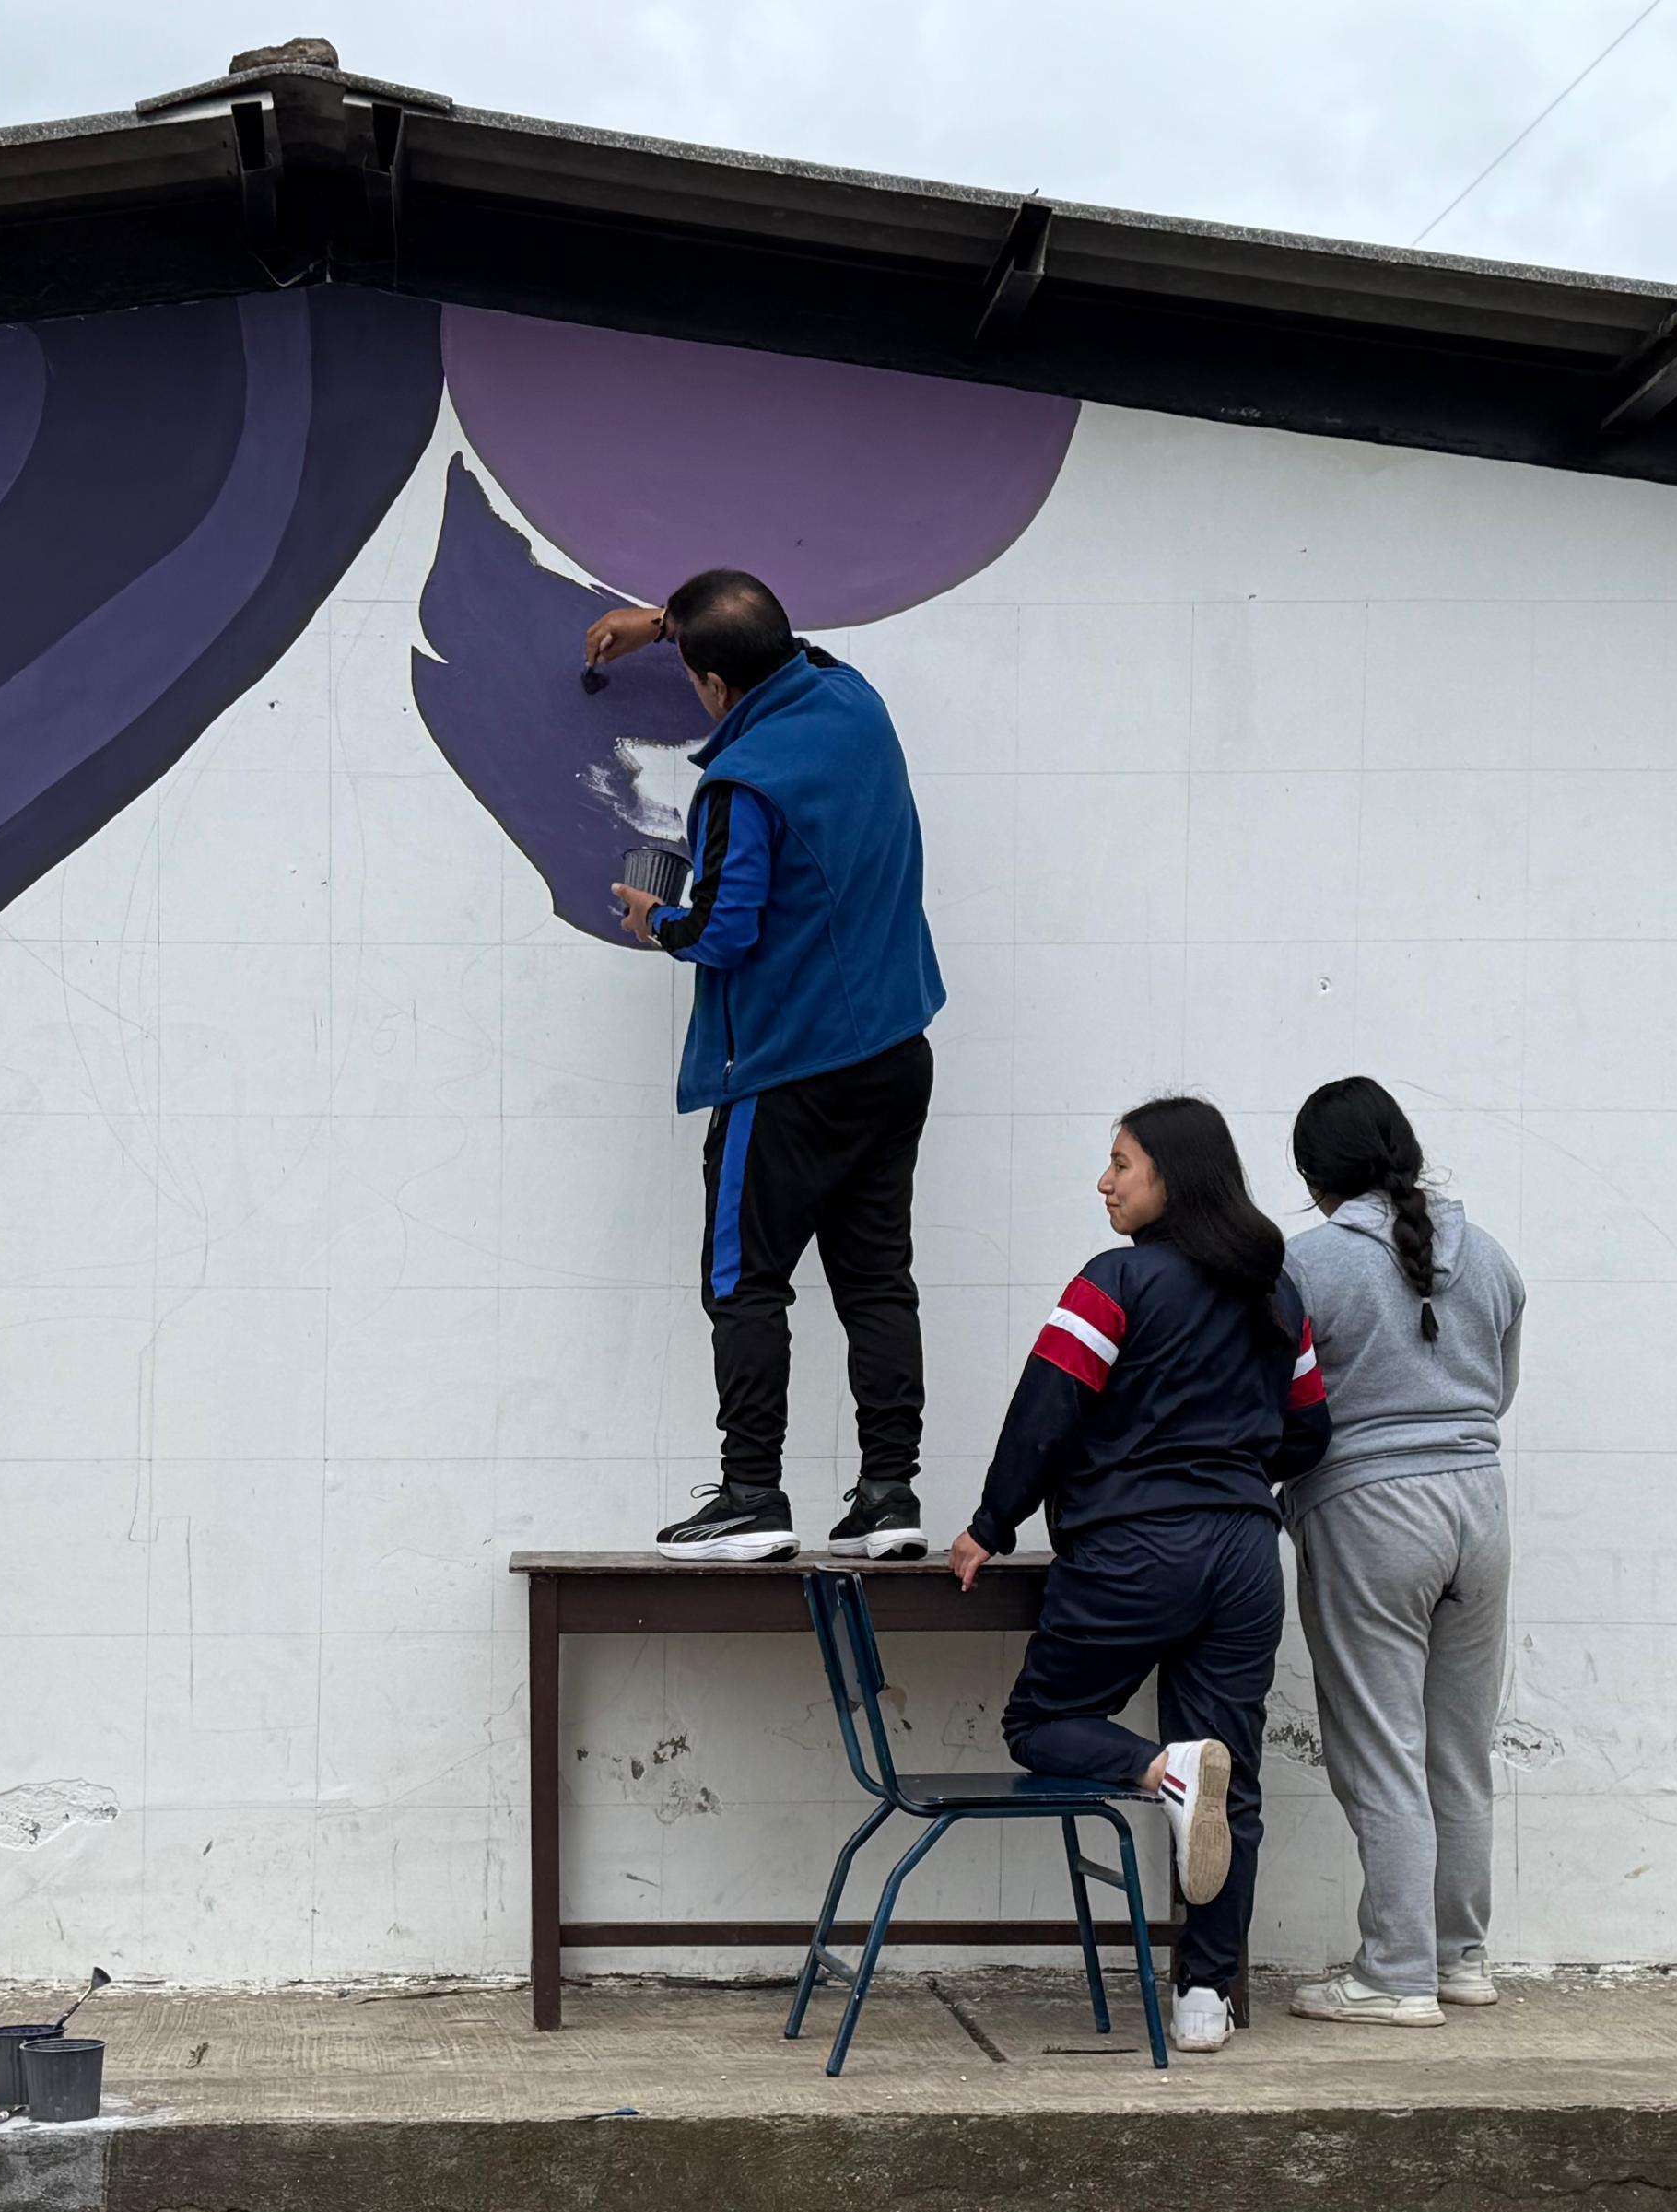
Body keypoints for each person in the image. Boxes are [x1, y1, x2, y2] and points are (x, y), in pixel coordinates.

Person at [945, 1097, 1331, 2055]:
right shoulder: (1276, 1295)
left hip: (1131, 1550)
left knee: (1039, 1722)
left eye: (1121, 1163)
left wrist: (990, 1523)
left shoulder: (1111, 1282)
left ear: (1171, 1176)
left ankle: (1160, 1771)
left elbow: (1047, 1408)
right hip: (1245, 1556)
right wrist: (1230, 1477)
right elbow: (1308, 1431)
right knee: (1232, 1783)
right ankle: (1205, 1999)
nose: (1104, 1182)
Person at [584, 572, 944, 1564]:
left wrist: (655, 918)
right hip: (894, 1053)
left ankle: (751, 1496)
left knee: (743, 1285)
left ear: (711, 683)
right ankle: (889, 1497)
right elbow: (773, 642)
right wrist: (665, 625)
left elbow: (724, 930)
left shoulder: (740, 785)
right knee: (876, 1281)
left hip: (787, 1071)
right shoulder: (855, 701)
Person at [1278, 1077, 1528, 2030]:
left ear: (1314, 1176)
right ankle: (1459, 1957)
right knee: (1458, 1751)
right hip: (1479, 1507)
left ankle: (1394, 1973)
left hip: (1369, 1511)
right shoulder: (1491, 1257)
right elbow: (1497, 1391)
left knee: (1381, 1749)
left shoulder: (1308, 1265)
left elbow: (1278, 1402)